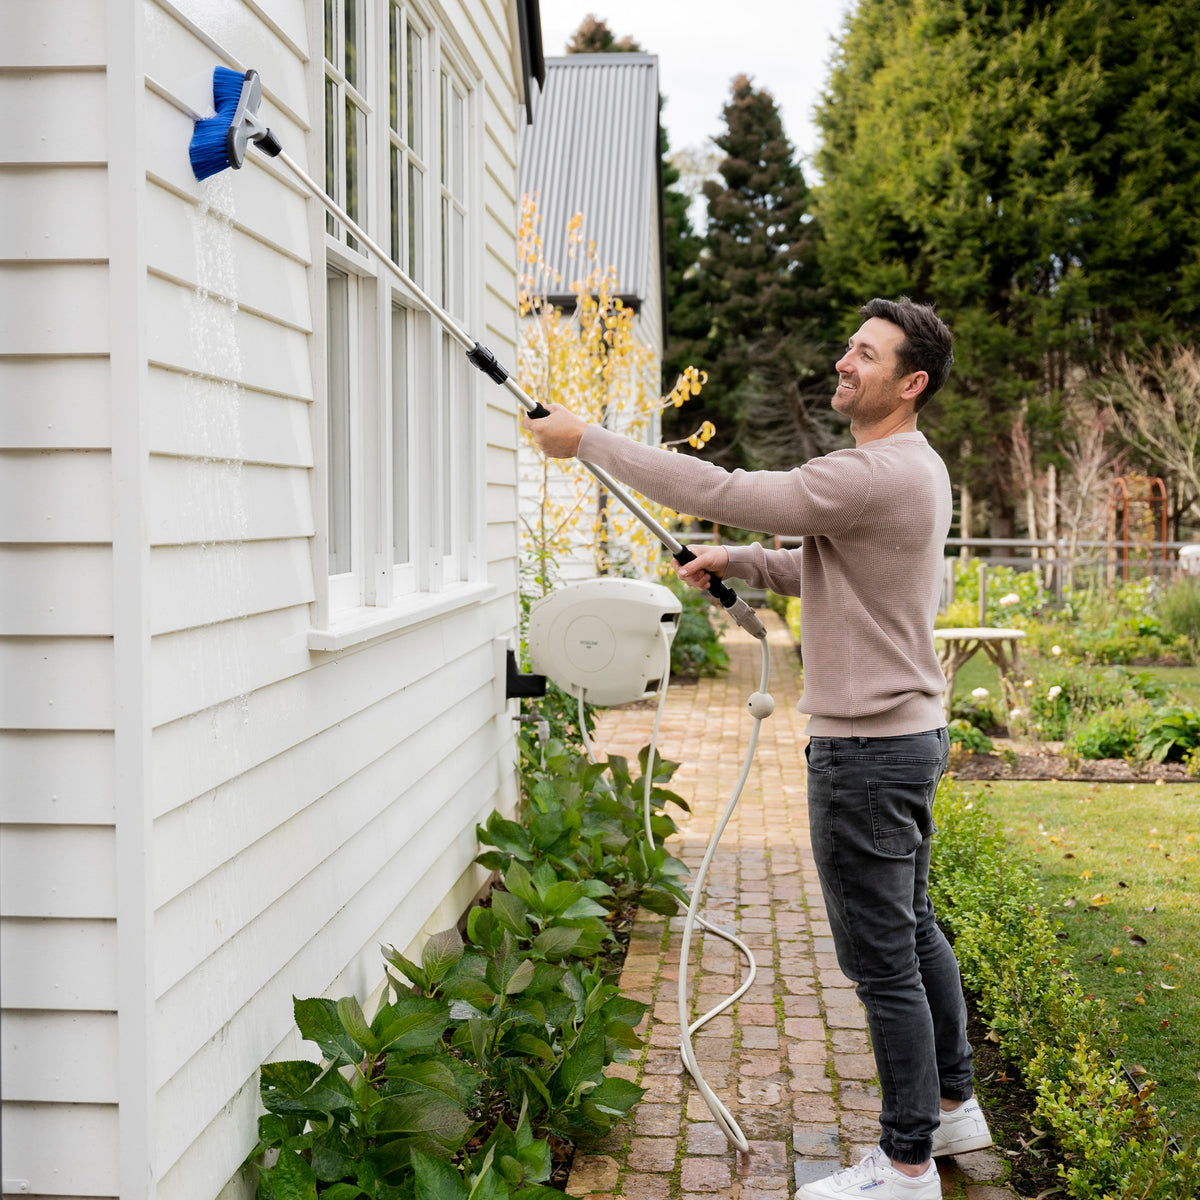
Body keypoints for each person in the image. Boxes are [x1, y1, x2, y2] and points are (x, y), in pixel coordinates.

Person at [522, 297, 992, 1199]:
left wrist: (589, 441)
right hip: (906, 739)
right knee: (915, 930)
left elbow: (729, 490)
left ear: (911, 382)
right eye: (849, 345)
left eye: (866, 354)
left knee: (880, 959)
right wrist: (741, 564)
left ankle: (904, 1163)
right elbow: (833, 565)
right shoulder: (911, 470)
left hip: (866, 754)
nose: (844, 363)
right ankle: (952, 1103)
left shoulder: (871, 473)